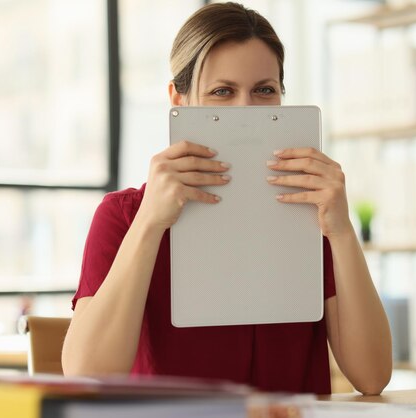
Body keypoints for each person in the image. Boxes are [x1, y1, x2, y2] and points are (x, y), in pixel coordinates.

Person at [61, 2, 392, 395]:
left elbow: (372, 376)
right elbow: (87, 374)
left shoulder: (310, 211)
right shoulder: (124, 215)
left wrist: (341, 231)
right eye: (222, 92)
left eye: (264, 91)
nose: (245, 111)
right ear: (178, 100)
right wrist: (150, 223)